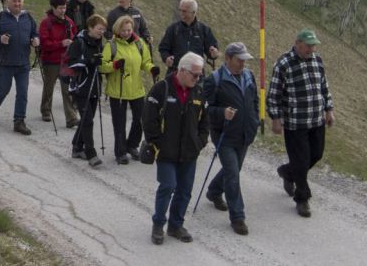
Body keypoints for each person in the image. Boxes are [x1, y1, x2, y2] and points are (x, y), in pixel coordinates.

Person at [143, 52, 209, 245]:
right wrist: (158, 143)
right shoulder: (161, 89)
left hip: (189, 152)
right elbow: (148, 120)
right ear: (181, 70)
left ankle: (176, 225)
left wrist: (200, 142)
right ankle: (158, 225)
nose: (197, 79)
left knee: (185, 190)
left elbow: (205, 122)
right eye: (194, 75)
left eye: (200, 76)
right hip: (166, 152)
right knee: (168, 186)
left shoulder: (198, 92)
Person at [268, 29, 334, 219]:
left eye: (313, 46)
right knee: (301, 160)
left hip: (316, 120)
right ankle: (302, 198)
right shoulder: (284, 64)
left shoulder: (317, 60)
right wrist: (275, 119)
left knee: (316, 154)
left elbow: (324, 87)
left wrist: (329, 109)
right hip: (295, 123)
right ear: (297, 43)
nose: (311, 49)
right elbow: (274, 95)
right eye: (308, 46)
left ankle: (288, 172)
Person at [202, 42, 260, 235]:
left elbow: (254, 101)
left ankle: (214, 191)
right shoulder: (215, 80)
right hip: (224, 135)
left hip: (245, 134)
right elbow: (205, 108)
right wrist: (222, 112)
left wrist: (255, 121)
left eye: (244, 60)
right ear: (227, 59)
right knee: (233, 174)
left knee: (232, 170)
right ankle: (238, 217)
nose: (242, 64)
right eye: (239, 60)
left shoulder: (249, 76)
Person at [100, 15, 158, 164]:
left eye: (129, 30)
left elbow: (146, 62)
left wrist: (152, 69)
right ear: (117, 30)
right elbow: (101, 66)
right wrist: (114, 65)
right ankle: (120, 152)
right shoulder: (111, 45)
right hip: (117, 90)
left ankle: (132, 145)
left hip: (136, 90)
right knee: (119, 123)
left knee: (140, 120)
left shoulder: (139, 44)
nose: (126, 33)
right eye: (123, 30)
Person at [0, 0, 39, 134]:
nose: (17, 4)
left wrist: (36, 40)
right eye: (14, 1)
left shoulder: (28, 17)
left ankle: (19, 121)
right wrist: (0, 39)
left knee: (23, 92)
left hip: (23, 63)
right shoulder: (0, 17)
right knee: (2, 90)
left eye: (19, 1)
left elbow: (35, 33)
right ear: (8, 2)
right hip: (6, 63)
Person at [66, 14, 108, 166]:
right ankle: (91, 154)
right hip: (81, 87)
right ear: (90, 27)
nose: (101, 32)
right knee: (88, 120)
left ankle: (77, 146)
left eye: (103, 29)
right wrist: (89, 61)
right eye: (99, 29)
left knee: (86, 119)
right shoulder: (79, 42)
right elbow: (71, 64)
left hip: (95, 86)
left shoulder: (100, 43)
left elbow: (102, 64)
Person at [38, 0, 79, 127]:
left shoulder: (69, 22)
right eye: (60, 8)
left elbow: (76, 36)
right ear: (53, 8)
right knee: (49, 87)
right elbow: (45, 44)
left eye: (64, 8)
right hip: (51, 60)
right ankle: (45, 110)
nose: (63, 11)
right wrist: (61, 43)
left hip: (66, 60)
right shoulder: (46, 23)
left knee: (67, 89)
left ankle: (71, 118)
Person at [158, 0, 220, 71]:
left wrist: (214, 54)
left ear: (194, 12)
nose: (181, 14)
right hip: (176, 73)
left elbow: (212, 50)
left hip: (196, 75)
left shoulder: (204, 29)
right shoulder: (173, 29)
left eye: (184, 11)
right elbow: (163, 48)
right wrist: (166, 58)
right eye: (180, 10)